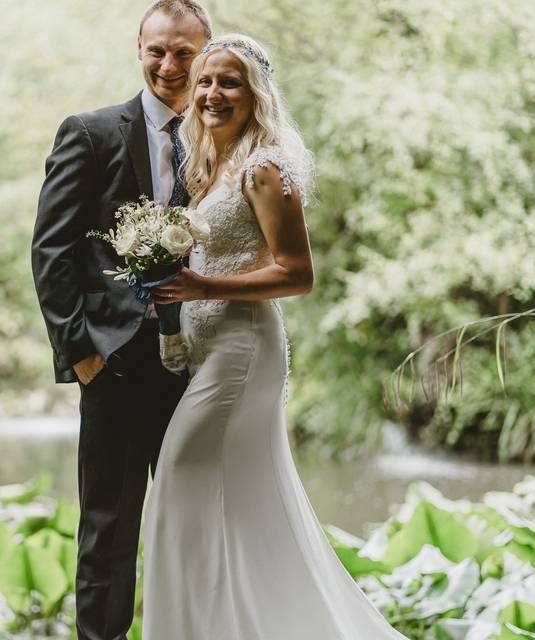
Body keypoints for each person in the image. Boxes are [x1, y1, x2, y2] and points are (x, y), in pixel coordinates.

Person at [142, 34, 409, 639]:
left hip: (242, 355)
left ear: (255, 94)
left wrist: (202, 288)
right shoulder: (216, 166)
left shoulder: (265, 168)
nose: (212, 93)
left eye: (228, 82)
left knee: (180, 483)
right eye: (205, 81)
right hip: (208, 352)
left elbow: (297, 272)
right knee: (234, 505)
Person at [30, 2, 211, 638]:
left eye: (184, 52)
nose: (169, 64)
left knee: (199, 522)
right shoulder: (91, 132)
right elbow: (51, 249)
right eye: (157, 50)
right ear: (139, 49)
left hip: (205, 363)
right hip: (116, 363)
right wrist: (80, 352)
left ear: (205, 53)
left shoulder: (225, 137)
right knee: (108, 528)